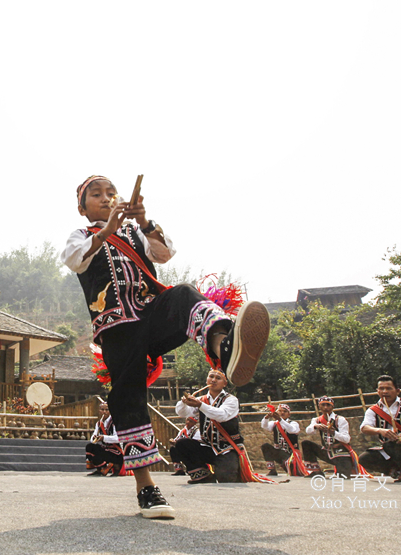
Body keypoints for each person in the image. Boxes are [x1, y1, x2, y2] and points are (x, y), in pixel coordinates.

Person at [61, 175, 270, 518]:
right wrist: (106, 229)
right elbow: (75, 259)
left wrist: (143, 221)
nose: (106, 198)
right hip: (116, 327)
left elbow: (165, 252)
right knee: (128, 395)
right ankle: (147, 488)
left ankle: (225, 347)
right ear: (82, 208)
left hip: (148, 314)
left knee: (184, 293)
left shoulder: (135, 234)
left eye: (111, 193)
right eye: (95, 195)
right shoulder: (81, 236)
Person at [171, 369, 244, 484]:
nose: (213, 380)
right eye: (211, 377)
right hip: (207, 447)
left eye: (218, 378)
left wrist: (200, 405)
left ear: (224, 383)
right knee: (181, 444)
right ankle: (203, 476)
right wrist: (183, 402)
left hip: (226, 448)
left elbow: (222, 415)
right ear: (207, 380)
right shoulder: (201, 399)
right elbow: (182, 413)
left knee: (227, 480)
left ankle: (229, 469)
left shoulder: (231, 400)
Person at [302, 396, 357, 478]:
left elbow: (347, 439)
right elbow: (308, 431)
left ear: (332, 407)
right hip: (326, 451)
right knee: (306, 443)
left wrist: (334, 433)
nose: (325, 408)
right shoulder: (316, 420)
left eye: (328, 405)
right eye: (323, 405)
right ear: (319, 407)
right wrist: (316, 426)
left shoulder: (340, 420)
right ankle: (315, 472)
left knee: (343, 476)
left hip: (341, 453)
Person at [260, 404, 305, 477]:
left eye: (285, 411)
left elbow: (291, 430)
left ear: (289, 414)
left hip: (290, 455)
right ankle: (272, 470)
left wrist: (280, 420)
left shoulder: (294, 424)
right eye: (280, 411)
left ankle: (290, 467)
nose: (282, 413)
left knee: (294, 472)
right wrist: (266, 418)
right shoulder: (274, 424)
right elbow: (264, 426)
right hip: (279, 452)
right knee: (265, 446)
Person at [86, 401, 124, 476]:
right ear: (99, 411)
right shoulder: (99, 423)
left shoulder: (115, 422)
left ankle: (116, 466)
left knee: (104, 453)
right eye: (102, 410)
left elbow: (119, 438)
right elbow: (92, 439)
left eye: (107, 410)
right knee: (90, 447)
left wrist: (104, 438)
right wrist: (94, 438)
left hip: (117, 451)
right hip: (107, 448)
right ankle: (100, 469)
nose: (104, 412)